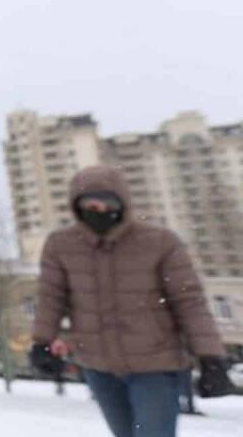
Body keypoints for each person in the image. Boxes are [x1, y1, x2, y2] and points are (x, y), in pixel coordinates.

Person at [29, 165, 235, 437]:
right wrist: (42, 341)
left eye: (106, 202)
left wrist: (210, 357)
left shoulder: (160, 242)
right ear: (76, 206)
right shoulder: (61, 245)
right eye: (89, 204)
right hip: (98, 365)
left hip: (156, 365)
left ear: (122, 202)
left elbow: (188, 301)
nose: (98, 210)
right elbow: (51, 296)